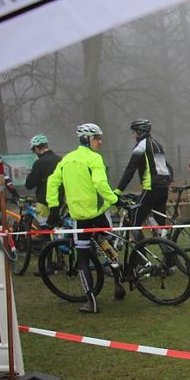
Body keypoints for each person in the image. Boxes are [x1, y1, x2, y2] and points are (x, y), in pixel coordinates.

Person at [46, 124, 124, 313]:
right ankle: (118, 282)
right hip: (98, 213)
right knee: (106, 246)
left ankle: (91, 301)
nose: (100, 141)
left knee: (82, 258)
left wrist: (54, 209)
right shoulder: (94, 158)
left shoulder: (66, 160)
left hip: (80, 217)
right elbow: (100, 183)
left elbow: (52, 182)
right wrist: (115, 200)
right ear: (86, 139)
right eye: (97, 138)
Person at [114, 118, 172, 233]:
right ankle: (168, 248)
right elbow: (168, 166)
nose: (132, 136)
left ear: (139, 132)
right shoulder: (158, 145)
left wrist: (118, 191)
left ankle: (139, 250)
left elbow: (130, 170)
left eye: (134, 132)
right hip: (163, 188)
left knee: (135, 219)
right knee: (160, 225)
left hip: (151, 188)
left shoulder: (141, 146)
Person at [24, 133, 62, 228]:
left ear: (37, 149)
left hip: (44, 201)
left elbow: (29, 184)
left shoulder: (39, 163)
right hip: (62, 201)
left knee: (45, 229)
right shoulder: (61, 160)